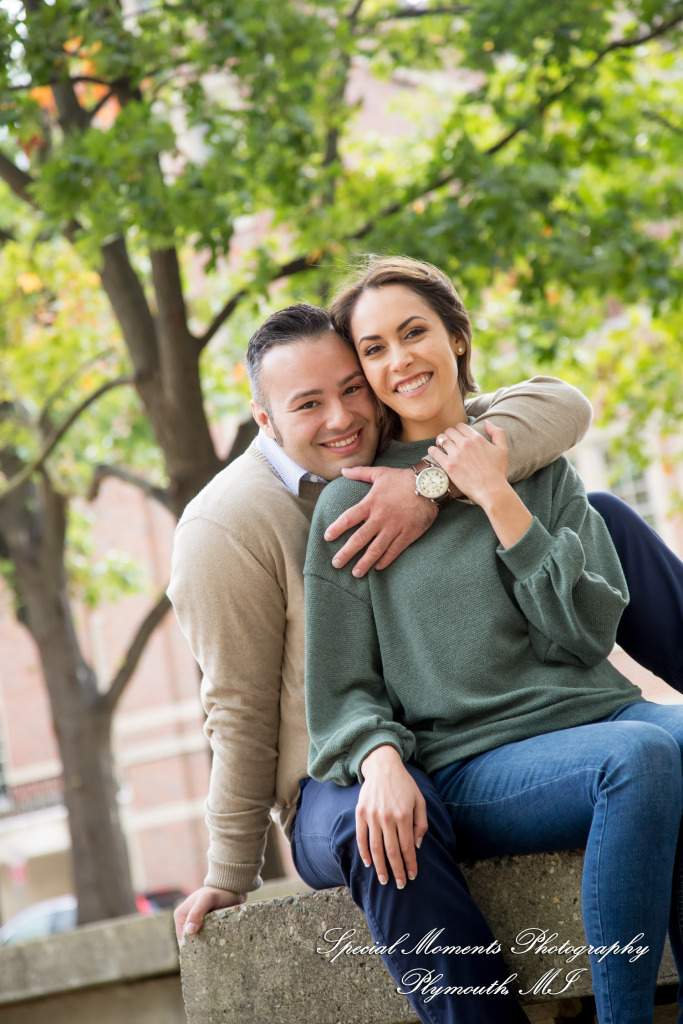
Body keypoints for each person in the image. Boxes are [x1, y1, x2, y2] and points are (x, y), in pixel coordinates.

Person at [304, 256, 683, 1024]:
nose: (399, 358)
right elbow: (340, 690)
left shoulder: (533, 463)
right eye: (373, 348)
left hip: (590, 717)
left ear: (456, 337)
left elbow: (584, 634)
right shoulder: (353, 502)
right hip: (475, 762)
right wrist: (377, 758)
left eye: (414, 333)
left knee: (659, 747)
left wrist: (494, 493)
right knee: (642, 758)